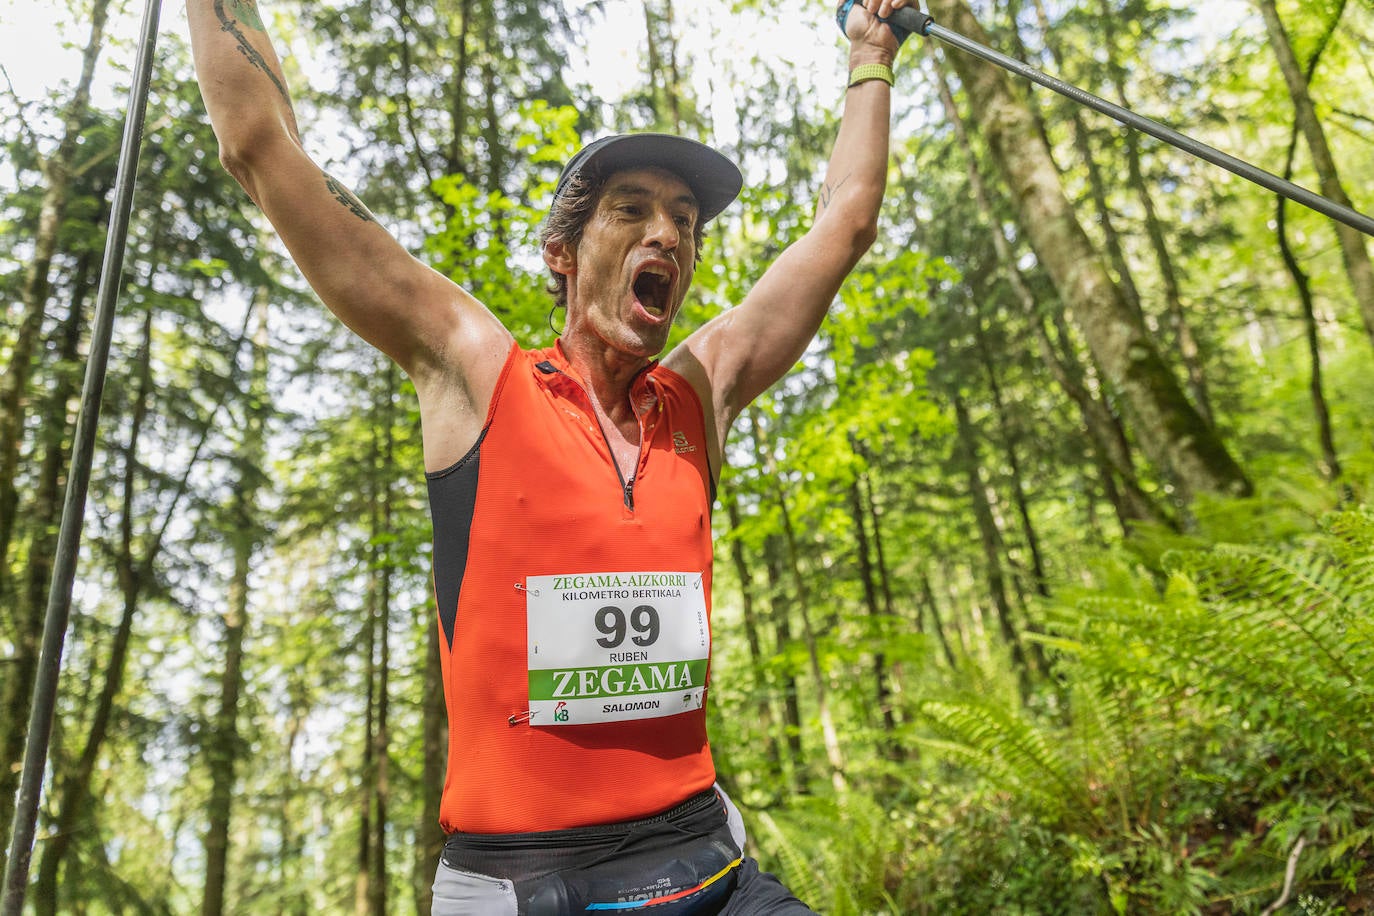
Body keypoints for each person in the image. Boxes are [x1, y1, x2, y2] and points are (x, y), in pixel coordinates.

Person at [189, 0, 908, 911]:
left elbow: (844, 221)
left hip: (709, 863)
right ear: (561, 253)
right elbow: (261, 148)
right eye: (632, 211)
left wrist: (871, 52)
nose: (669, 235)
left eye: (685, 220)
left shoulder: (699, 391)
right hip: (527, 884)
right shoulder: (476, 372)